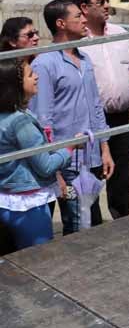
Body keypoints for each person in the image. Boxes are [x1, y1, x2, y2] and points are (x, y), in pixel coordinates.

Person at [32, 0, 114, 233]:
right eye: (78, 16)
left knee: (92, 220)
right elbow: (43, 120)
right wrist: (55, 171)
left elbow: (96, 106)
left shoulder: (85, 59)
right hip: (66, 161)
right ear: (61, 23)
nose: (84, 20)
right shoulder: (45, 64)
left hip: (92, 155)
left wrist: (105, 148)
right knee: (78, 225)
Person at [74, 0, 129, 220]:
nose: (107, 6)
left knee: (122, 173)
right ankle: (91, 223)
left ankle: (121, 216)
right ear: (84, 8)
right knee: (92, 173)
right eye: (101, 2)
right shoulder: (78, 42)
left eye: (107, 0)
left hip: (123, 118)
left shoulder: (119, 33)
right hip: (92, 123)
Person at [0, 58, 82, 251]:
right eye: (30, 75)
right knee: (39, 257)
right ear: (15, 86)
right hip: (28, 207)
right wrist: (70, 147)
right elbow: (45, 166)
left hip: (6, 199)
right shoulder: (20, 122)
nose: (36, 77)